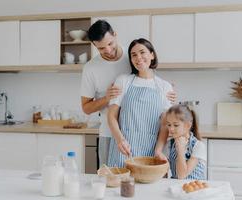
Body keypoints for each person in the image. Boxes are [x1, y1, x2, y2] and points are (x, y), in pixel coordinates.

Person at [80, 20, 176, 166]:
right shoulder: (91, 69)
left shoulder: (132, 52)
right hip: (111, 134)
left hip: (150, 140)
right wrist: (107, 98)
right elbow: (86, 108)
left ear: (115, 35)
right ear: (94, 46)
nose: (108, 50)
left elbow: (147, 72)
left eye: (110, 44)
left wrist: (169, 89)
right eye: (101, 48)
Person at [107, 38, 173, 167]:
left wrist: (158, 151)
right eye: (134, 55)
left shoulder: (165, 87)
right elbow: (111, 116)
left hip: (150, 151)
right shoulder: (123, 81)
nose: (138, 58)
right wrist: (120, 140)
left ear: (152, 55)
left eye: (142, 52)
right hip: (124, 149)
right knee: (121, 185)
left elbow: (165, 125)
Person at [166, 104, 206, 180]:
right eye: (169, 124)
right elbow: (163, 171)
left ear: (188, 125)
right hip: (176, 188)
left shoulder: (198, 146)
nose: (171, 129)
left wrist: (180, 150)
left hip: (195, 189)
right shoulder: (169, 145)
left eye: (176, 125)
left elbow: (182, 175)